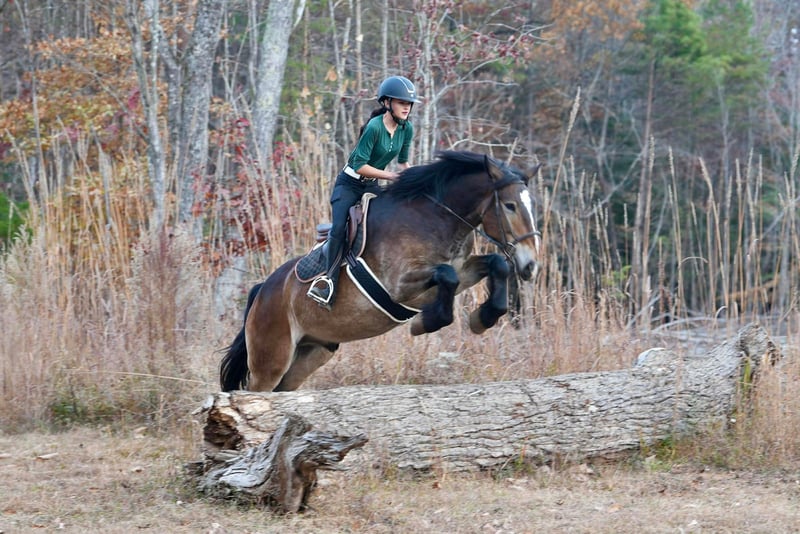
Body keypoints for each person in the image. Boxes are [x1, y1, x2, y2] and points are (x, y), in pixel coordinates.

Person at [307, 75, 422, 310]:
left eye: (409, 104)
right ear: (387, 103)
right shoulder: (374, 127)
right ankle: (327, 282)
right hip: (349, 184)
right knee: (339, 228)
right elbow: (359, 166)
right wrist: (391, 176)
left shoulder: (407, 128)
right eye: (402, 102)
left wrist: (415, 182)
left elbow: (403, 162)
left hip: (372, 185)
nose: (407, 108)